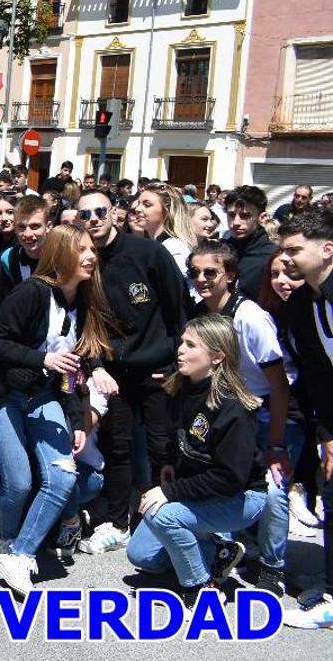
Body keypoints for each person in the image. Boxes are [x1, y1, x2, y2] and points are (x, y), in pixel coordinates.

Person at [0, 223, 116, 597]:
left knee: (63, 477)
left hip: (44, 397)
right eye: (82, 249)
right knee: (19, 482)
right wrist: (43, 359)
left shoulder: (84, 300)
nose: (91, 256)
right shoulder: (32, 293)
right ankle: (8, 542)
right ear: (62, 255)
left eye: (92, 249)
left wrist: (76, 421)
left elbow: (69, 369)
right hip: (2, 395)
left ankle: (21, 554)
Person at [72, 189, 190, 555]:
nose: (93, 218)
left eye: (100, 210)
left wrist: (177, 364)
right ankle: (119, 522)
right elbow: (83, 325)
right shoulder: (84, 263)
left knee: (161, 448)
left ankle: (166, 521)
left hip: (157, 369)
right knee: (118, 448)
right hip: (113, 373)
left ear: (114, 212)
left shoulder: (149, 253)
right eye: (85, 213)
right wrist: (96, 367)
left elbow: (179, 310)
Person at [125, 315, 266, 607]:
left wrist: (168, 492)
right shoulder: (181, 388)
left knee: (161, 515)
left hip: (241, 497)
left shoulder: (233, 407)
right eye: (181, 342)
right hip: (201, 489)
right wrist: (169, 466)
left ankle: (199, 587)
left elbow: (230, 478)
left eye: (191, 345)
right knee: (140, 557)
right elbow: (184, 441)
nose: (180, 350)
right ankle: (218, 551)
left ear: (217, 357)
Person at [187, 240, 294, 594]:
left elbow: (279, 386)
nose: (201, 279)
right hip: (220, 411)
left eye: (210, 272)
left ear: (230, 275)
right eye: (195, 272)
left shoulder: (250, 317)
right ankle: (223, 549)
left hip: (259, 411)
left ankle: (273, 567)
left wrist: (277, 444)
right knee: (220, 483)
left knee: (273, 489)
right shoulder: (199, 312)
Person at [275, 210, 333, 628]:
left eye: (295, 250)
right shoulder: (299, 304)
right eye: (283, 251)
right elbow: (315, 372)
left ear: (327, 249)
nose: (287, 259)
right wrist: (327, 433)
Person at [225, 185, 276, 301]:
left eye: (245, 216)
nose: (236, 222)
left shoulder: (272, 256)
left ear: (262, 217)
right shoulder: (222, 249)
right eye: (231, 215)